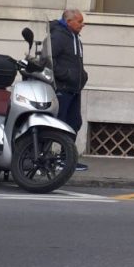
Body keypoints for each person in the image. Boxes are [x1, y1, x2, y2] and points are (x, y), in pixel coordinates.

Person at [49, 9, 89, 172]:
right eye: (79, 22)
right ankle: (45, 157)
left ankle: (66, 159)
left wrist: (82, 76)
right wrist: (66, 75)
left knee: (74, 123)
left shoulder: (75, 38)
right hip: (62, 88)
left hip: (74, 88)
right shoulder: (58, 36)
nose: (82, 25)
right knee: (56, 124)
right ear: (69, 21)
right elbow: (49, 60)